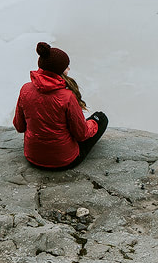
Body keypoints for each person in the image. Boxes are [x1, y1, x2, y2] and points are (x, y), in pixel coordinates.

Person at [13, 41, 108, 169]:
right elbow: (82, 134)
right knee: (101, 118)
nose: (69, 69)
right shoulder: (67, 96)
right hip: (64, 161)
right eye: (66, 67)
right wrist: (92, 123)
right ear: (59, 71)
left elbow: (19, 126)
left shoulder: (25, 89)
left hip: (33, 157)